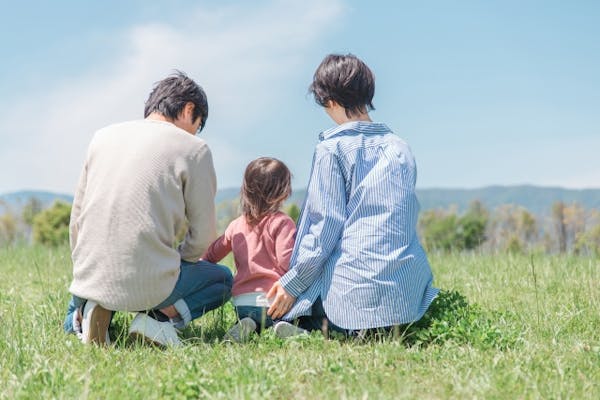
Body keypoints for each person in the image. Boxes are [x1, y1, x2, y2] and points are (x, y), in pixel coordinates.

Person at [267, 54, 440, 337]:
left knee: (289, 306)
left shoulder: (331, 149)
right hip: (407, 300)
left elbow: (325, 229)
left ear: (330, 101)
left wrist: (292, 284)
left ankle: (310, 328)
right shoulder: (400, 147)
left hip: (352, 299)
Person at [64, 71, 233, 346]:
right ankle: (156, 319)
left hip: (89, 273)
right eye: (197, 124)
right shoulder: (194, 149)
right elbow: (204, 236)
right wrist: (181, 261)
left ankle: (84, 314)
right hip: (150, 281)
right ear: (189, 109)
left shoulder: (101, 137)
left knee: (85, 292)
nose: (195, 132)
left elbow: (77, 221)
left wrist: (85, 265)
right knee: (223, 280)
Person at [202, 157, 307, 342]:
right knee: (283, 316)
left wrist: (199, 263)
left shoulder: (236, 225)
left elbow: (212, 254)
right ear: (283, 192)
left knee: (250, 318)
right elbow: (286, 261)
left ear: (246, 190)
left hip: (242, 301)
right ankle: (281, 326)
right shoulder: (283, 222)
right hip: (274, 300)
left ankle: (246, 323)